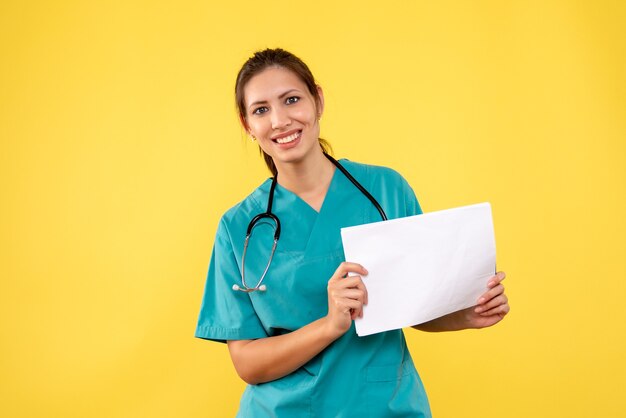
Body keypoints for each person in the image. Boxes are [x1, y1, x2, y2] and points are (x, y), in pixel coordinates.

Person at [195, 48, 510, 417]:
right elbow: (247, 363)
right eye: (261, 110)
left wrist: (466, 315)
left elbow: (416, 302)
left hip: (382, 406)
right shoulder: (238, 229)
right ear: (247, 125)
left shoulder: (385, 191)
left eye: (292, 100)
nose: (280, 120)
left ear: (318, 100)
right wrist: (330, 325)